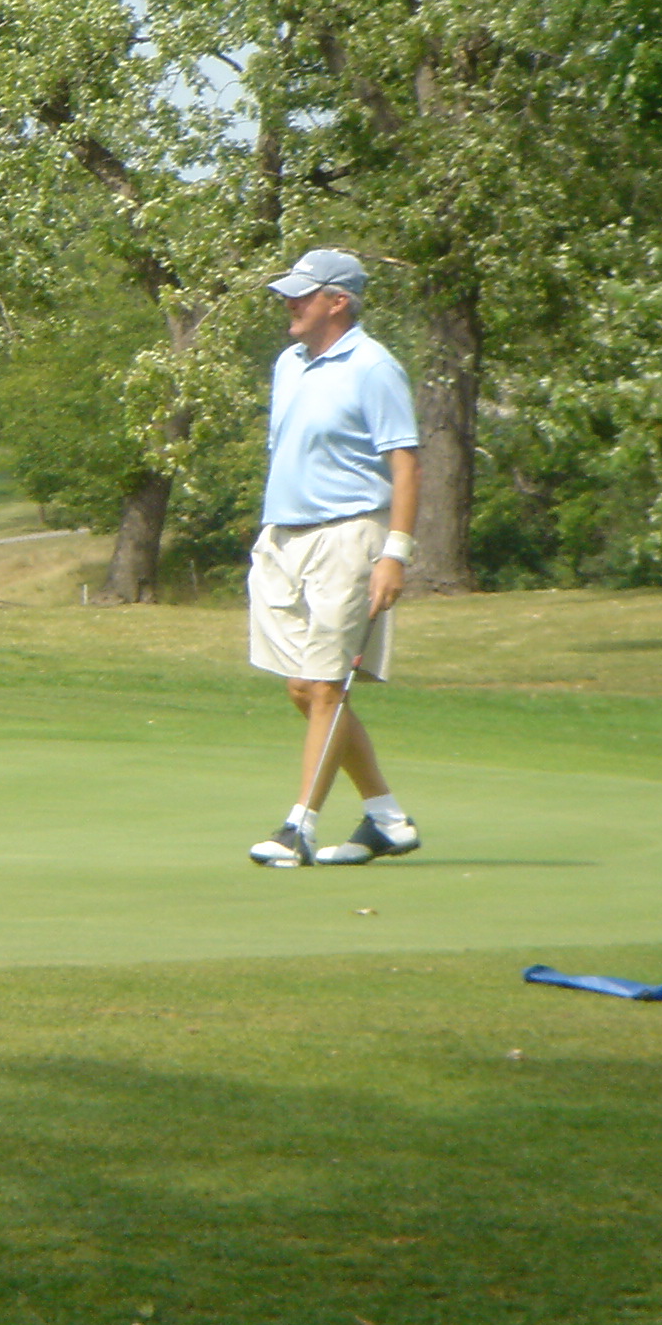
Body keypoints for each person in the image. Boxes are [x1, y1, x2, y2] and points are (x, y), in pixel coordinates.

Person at [245, 249, 424, 868]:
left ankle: (299, 827)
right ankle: (387, 818)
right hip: (283, 538)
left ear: (338, 300)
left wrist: (394, 553)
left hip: (350, 537)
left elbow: (405, 461)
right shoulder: (289, 364)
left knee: (325, 686)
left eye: (303, 294)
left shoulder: (374, 367)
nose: (289, 303)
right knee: (303, 688)